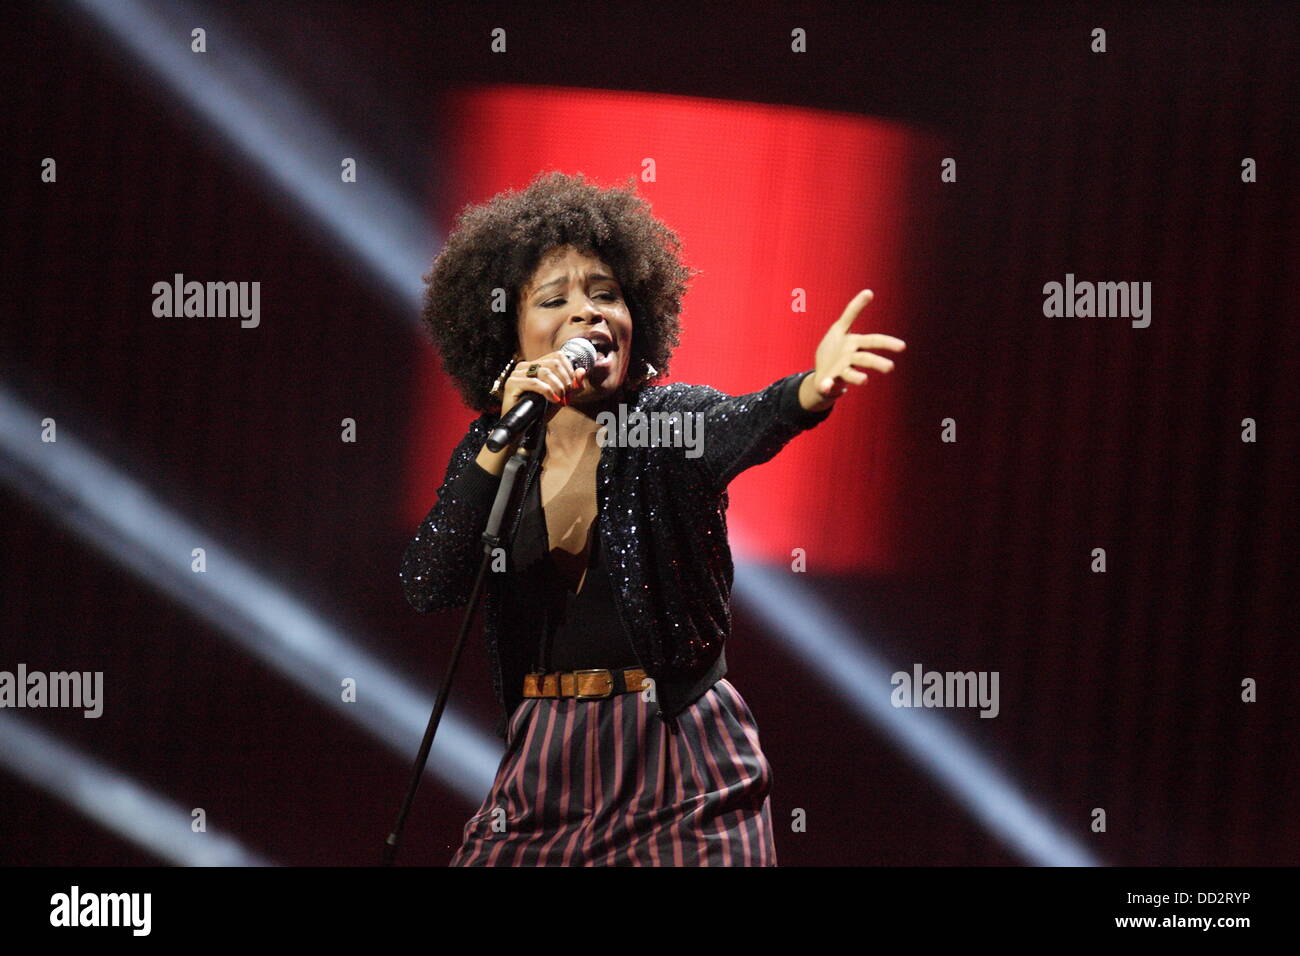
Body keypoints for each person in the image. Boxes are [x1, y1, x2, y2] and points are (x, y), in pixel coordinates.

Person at [401, 170, 905, 866]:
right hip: (542, 762)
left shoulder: (665, 424)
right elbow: (431, 581)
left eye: (606, 295)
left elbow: (744, 422)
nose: (588, 314)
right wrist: (496, 439)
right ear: (509, 341)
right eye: (556, 300)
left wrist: (810, 391)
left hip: (679, 760)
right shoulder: (498, 451)